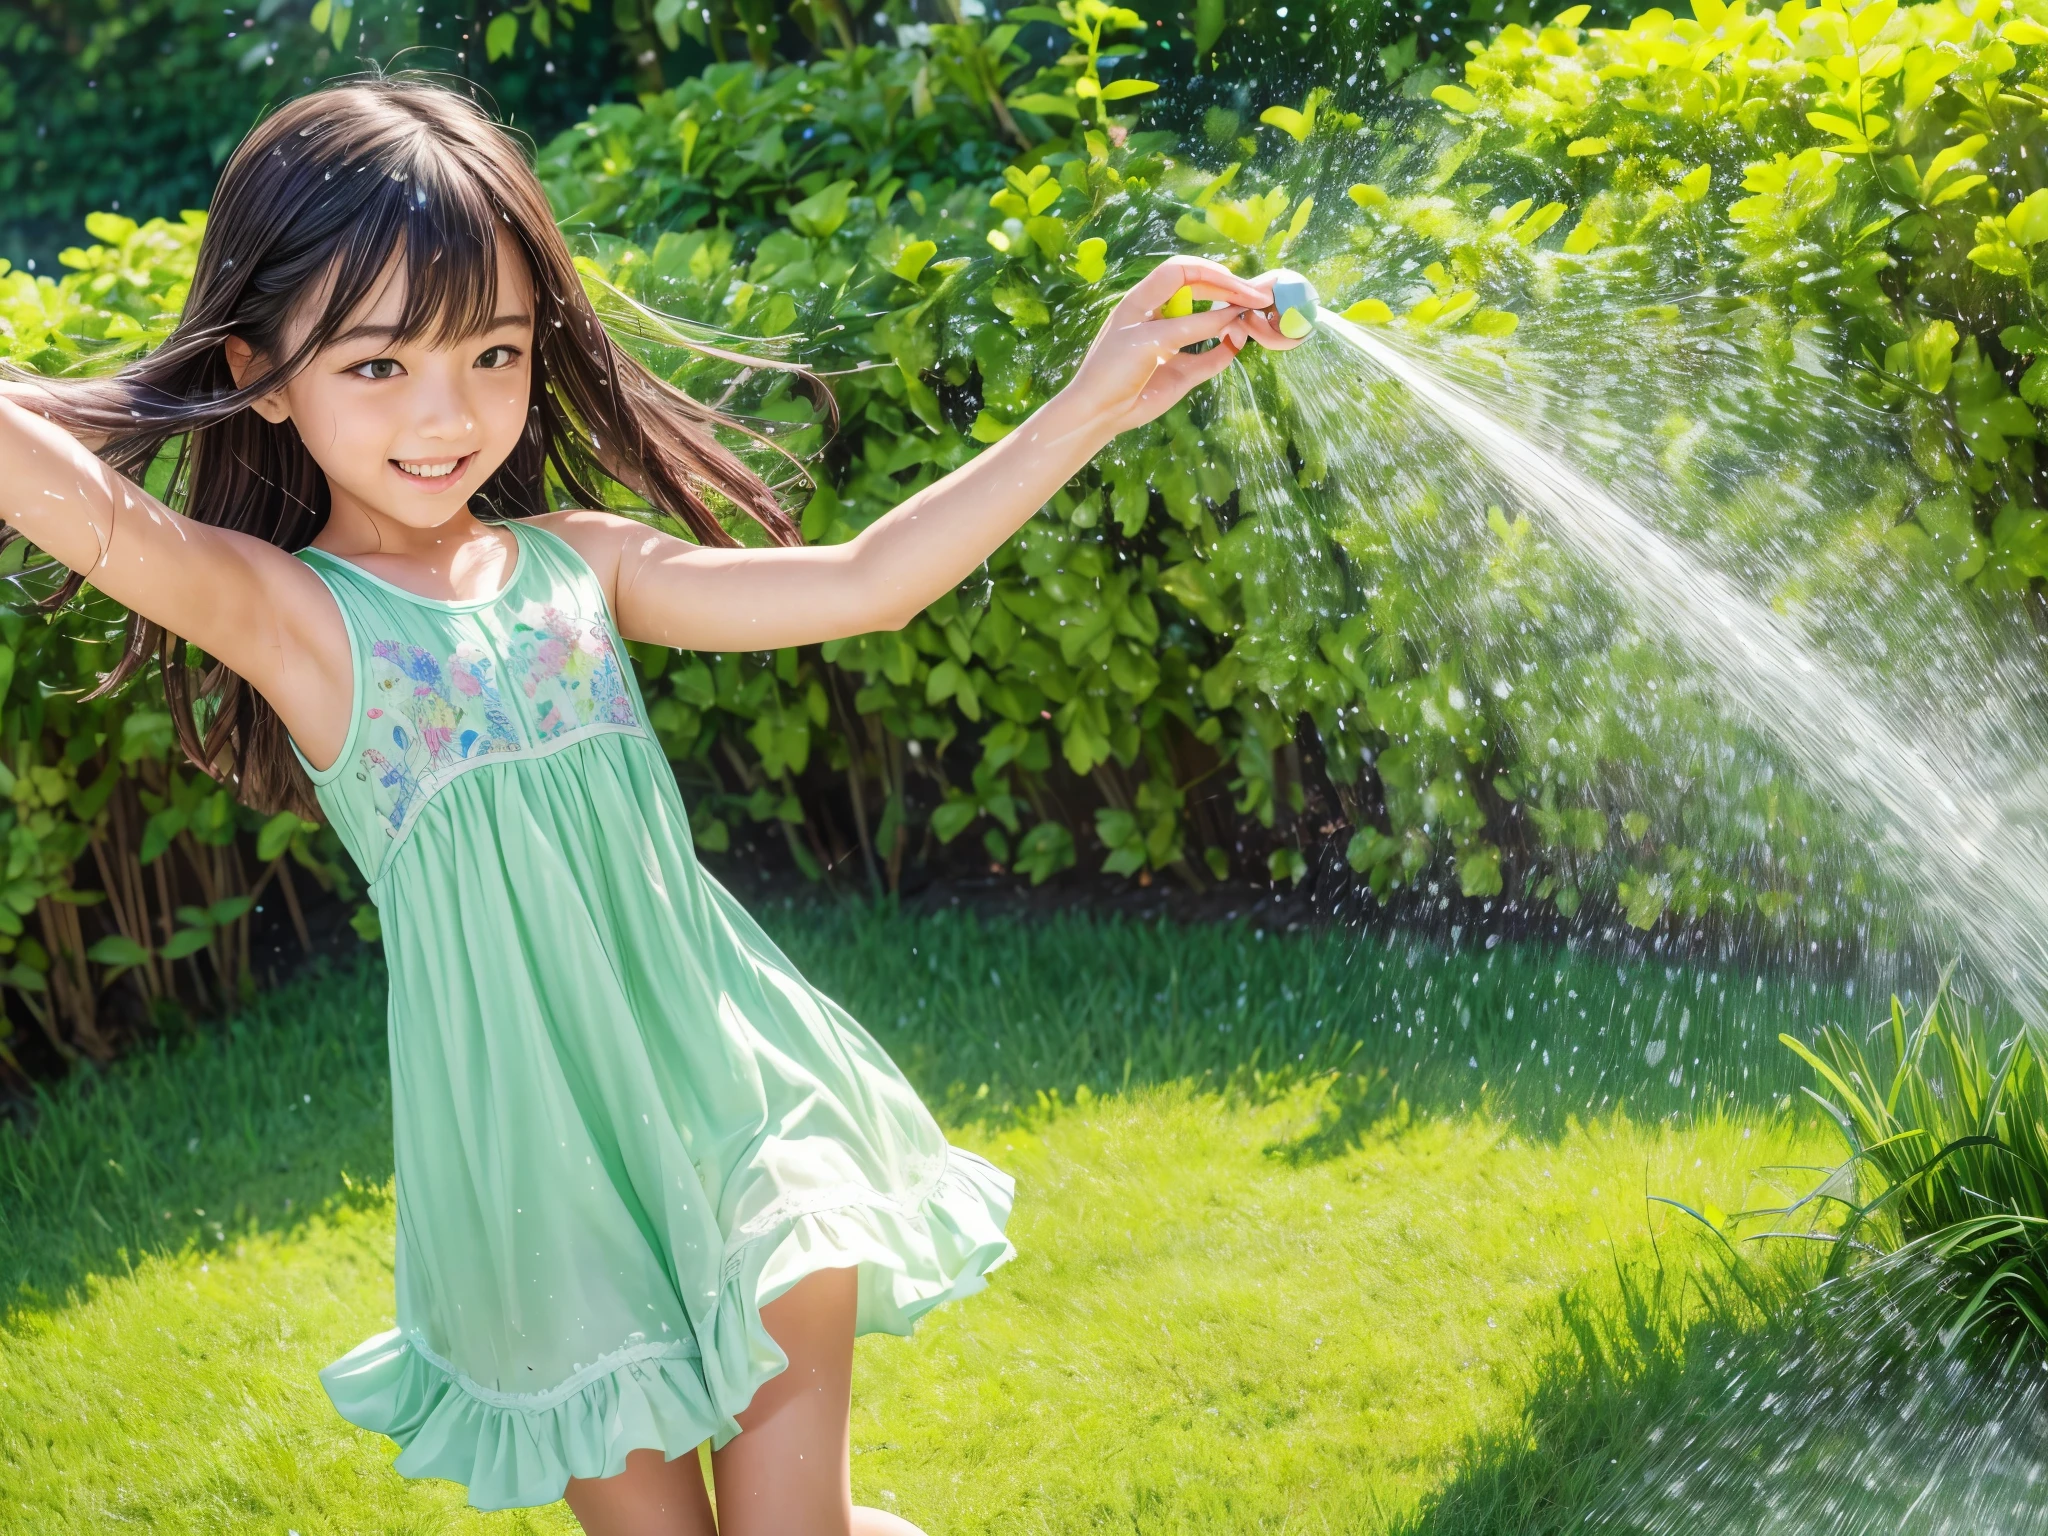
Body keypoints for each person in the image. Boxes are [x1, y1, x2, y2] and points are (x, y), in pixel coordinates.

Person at [0, 74, 1296, 1535]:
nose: (448, 417)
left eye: (491, 353)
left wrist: (1094, 399)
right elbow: (63, 494)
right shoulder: (294, 619)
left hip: (741, 1115)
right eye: (377, 369)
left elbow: (868, 582)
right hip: (540, 1210)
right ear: (262, 369)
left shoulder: (582, 565)